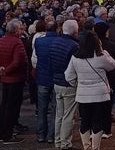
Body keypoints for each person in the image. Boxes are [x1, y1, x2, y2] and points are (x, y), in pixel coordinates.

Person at [65, 31, 115, 150]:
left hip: (83, 94)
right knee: (97, 121)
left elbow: (68, 76)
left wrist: (78, 84)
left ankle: (86, 147)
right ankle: (95, 148)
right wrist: (105, 52)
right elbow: (113, 65)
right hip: (100, 94)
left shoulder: (75, 57)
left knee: (85, 122)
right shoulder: (101, 56)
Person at [0, 19, 28, 144]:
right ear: (15, 29)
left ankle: (3, 132)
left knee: (5, 106)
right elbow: (18, 62)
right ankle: (7, 134)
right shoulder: (17, 43)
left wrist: (0, 69)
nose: (22, 31)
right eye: (20, 29)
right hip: (15, 78)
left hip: (5, 78)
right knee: (11, 107)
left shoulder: (0, 40)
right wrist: (6, 70)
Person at [50, 19, 79, 150]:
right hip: (68, 83)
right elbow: (74, 67)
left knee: (59, 114)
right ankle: (65, 143)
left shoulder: (54, 42)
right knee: (68, 115)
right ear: (75, 31)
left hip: (57, 82)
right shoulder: (74, 46)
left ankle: (58, 142)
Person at [34, 20, 59, 144]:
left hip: (42, 78)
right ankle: (51, 135)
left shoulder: (39, 42)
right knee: (55, 108)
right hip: (55, 78)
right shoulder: (59, 42)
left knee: (42, 109)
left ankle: (41, 135)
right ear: (57, 29)